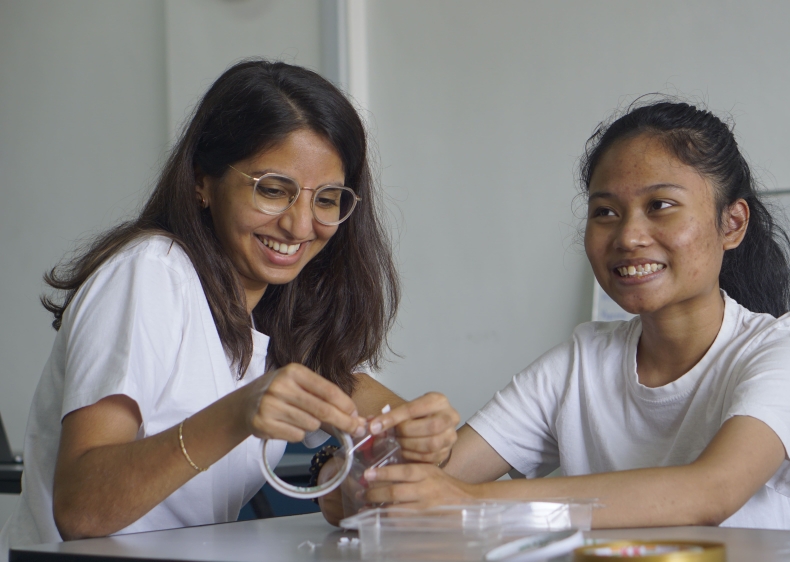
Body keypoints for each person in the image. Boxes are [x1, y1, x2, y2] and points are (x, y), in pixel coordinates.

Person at [0, 60, 459, 557]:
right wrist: (239, 413)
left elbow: (413, 438)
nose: (301, 226)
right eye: (273, 190)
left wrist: (421, 436)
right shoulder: (152, 273)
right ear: (203, 181)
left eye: (326, 199)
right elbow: (82, 511)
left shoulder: (277, 312)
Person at [331, 99, 790, 530]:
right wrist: (355, 466)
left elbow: (712, 491)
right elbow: (447, 473)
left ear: (732, 223)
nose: (628, 236)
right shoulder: (584, 358)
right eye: (606, 212)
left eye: (660, 205)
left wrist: (469, 503)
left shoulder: (785, 350)